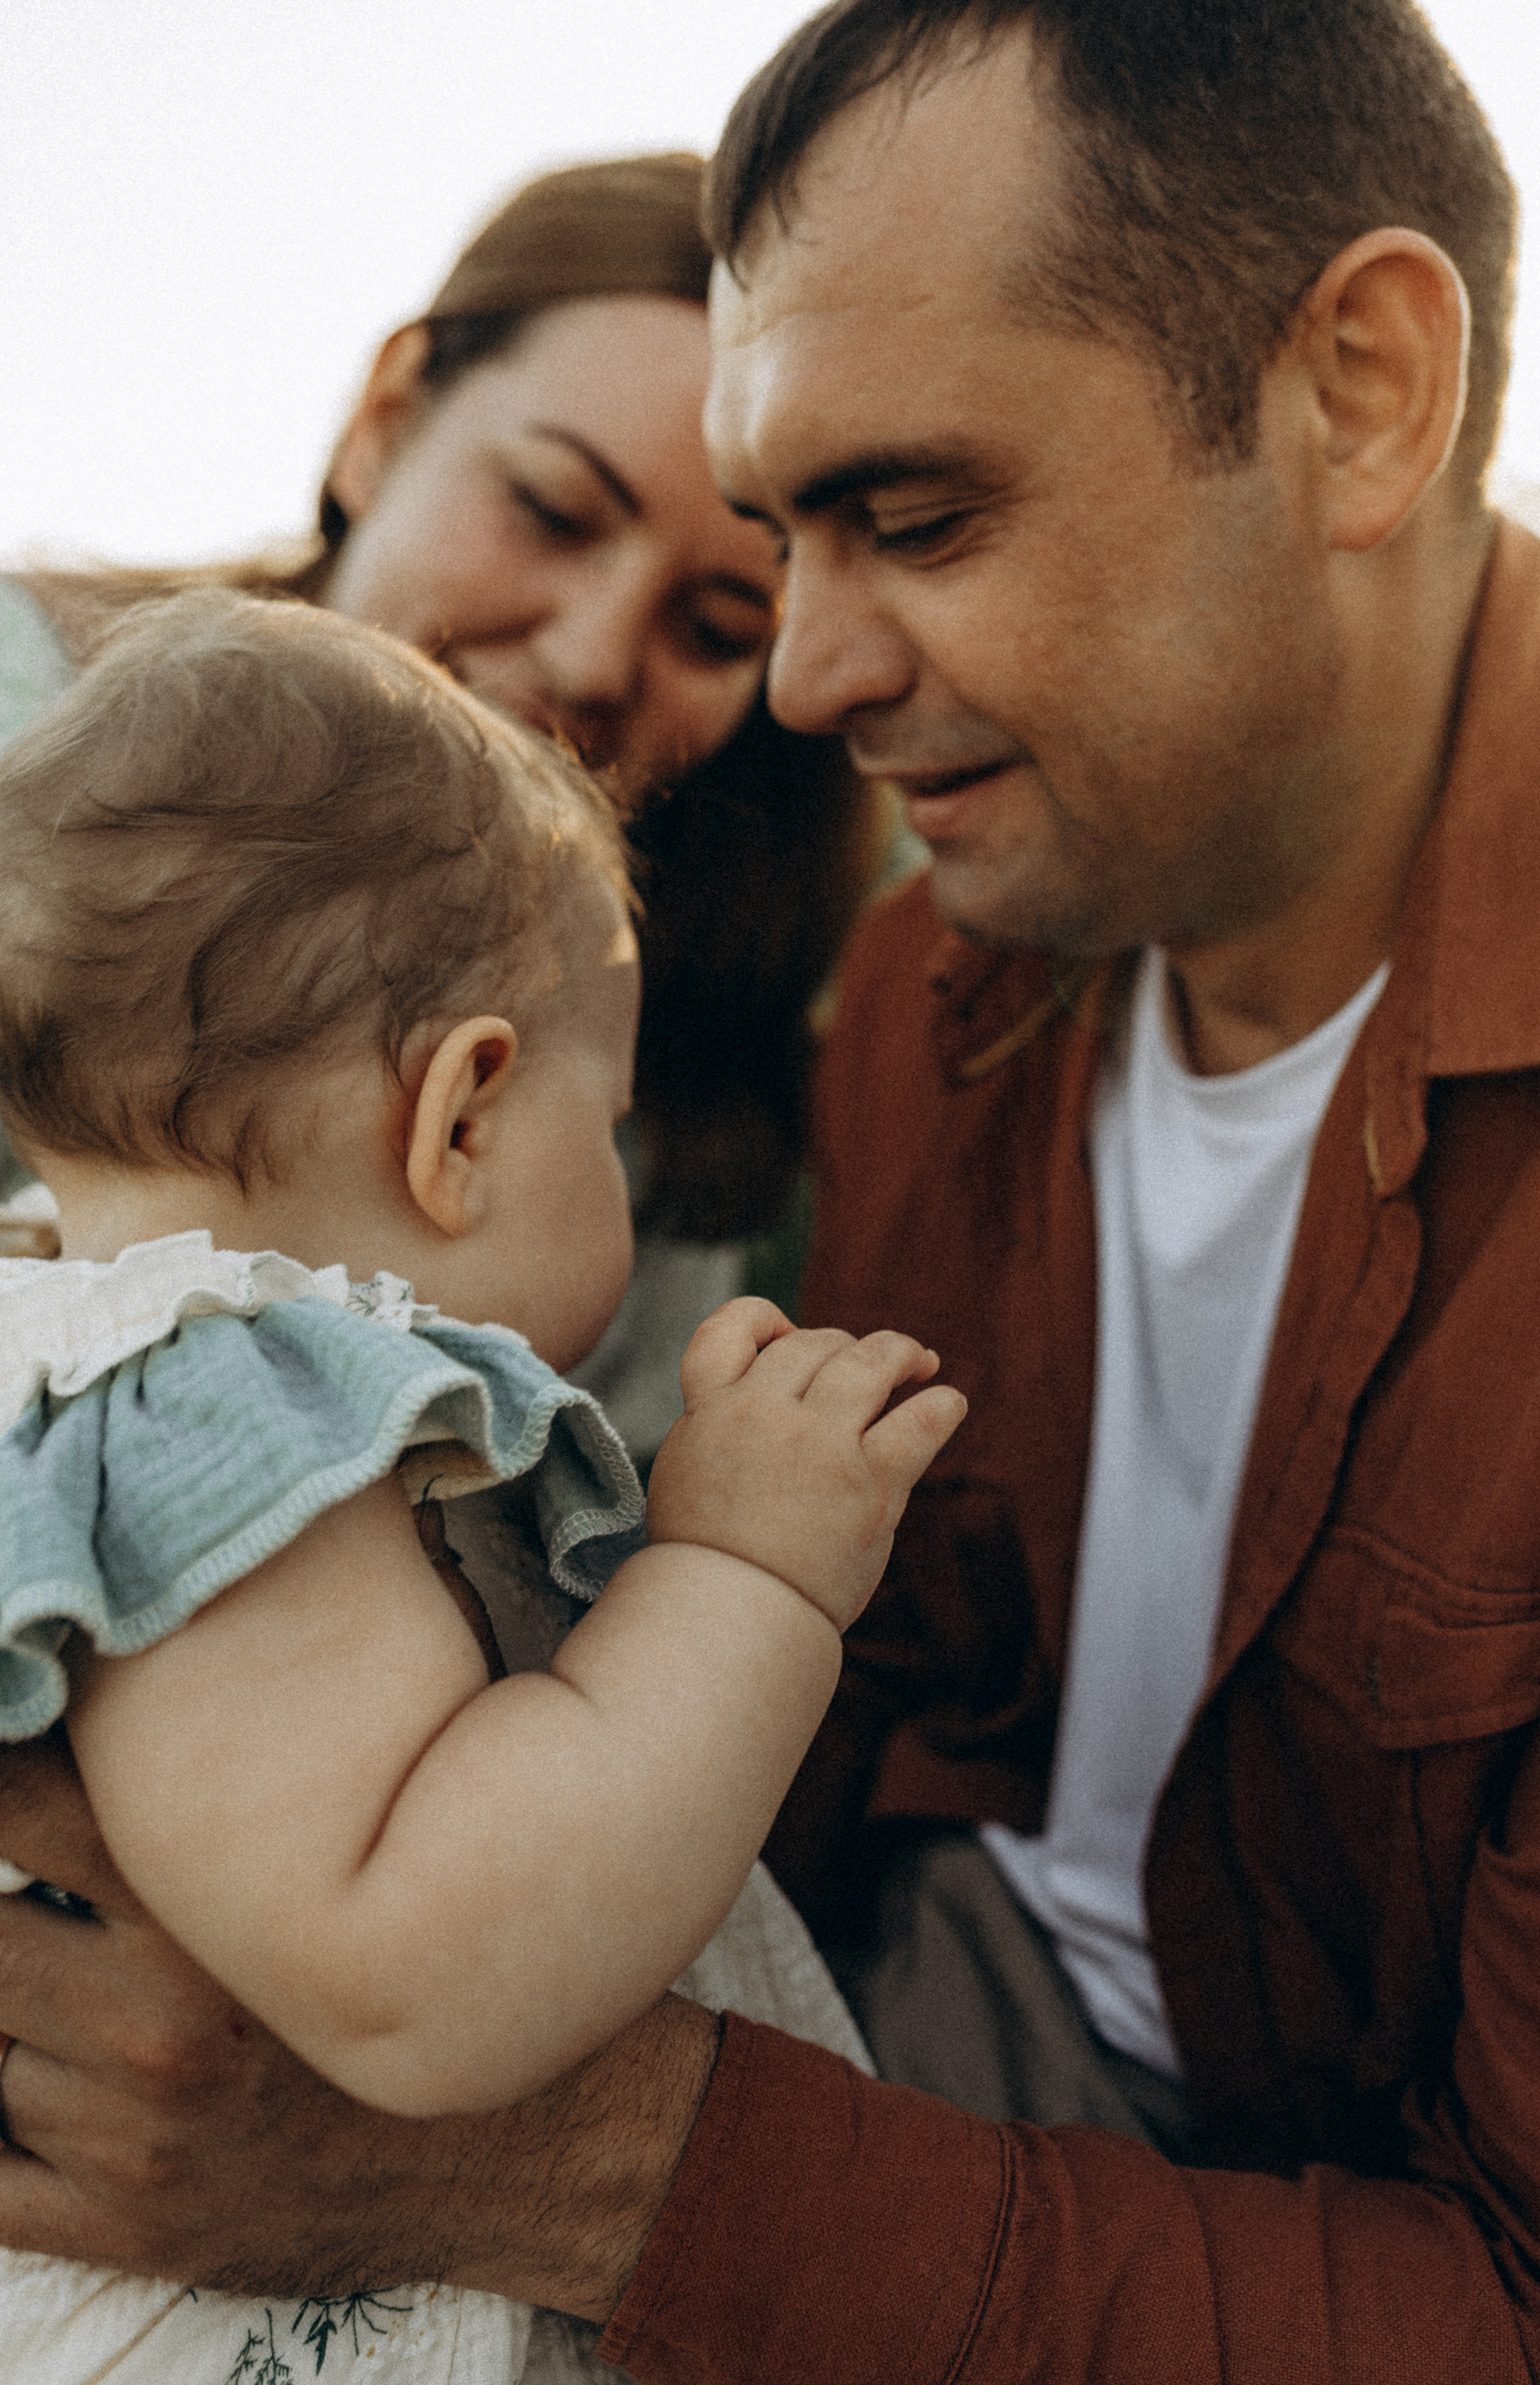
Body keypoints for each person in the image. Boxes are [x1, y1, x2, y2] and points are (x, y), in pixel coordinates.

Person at [5, 2, 1540, 2379]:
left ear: (1362, 390)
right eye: (785, 550)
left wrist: (525, 2153)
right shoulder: (938, 992)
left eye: (919, 520)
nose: (806, 681)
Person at [0, 588, 960, 2381]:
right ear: (461, 1120)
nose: (622, 1165)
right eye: (607, 1124)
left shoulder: (69, 1350)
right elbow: (415, 1980)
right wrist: (745, 1571)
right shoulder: (230, 1422)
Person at [1, 151, 876, 1466]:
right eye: (552, 511)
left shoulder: (656, 1025)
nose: (592, 659)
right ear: (386, 420)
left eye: (717, 626)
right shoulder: (26, 738)